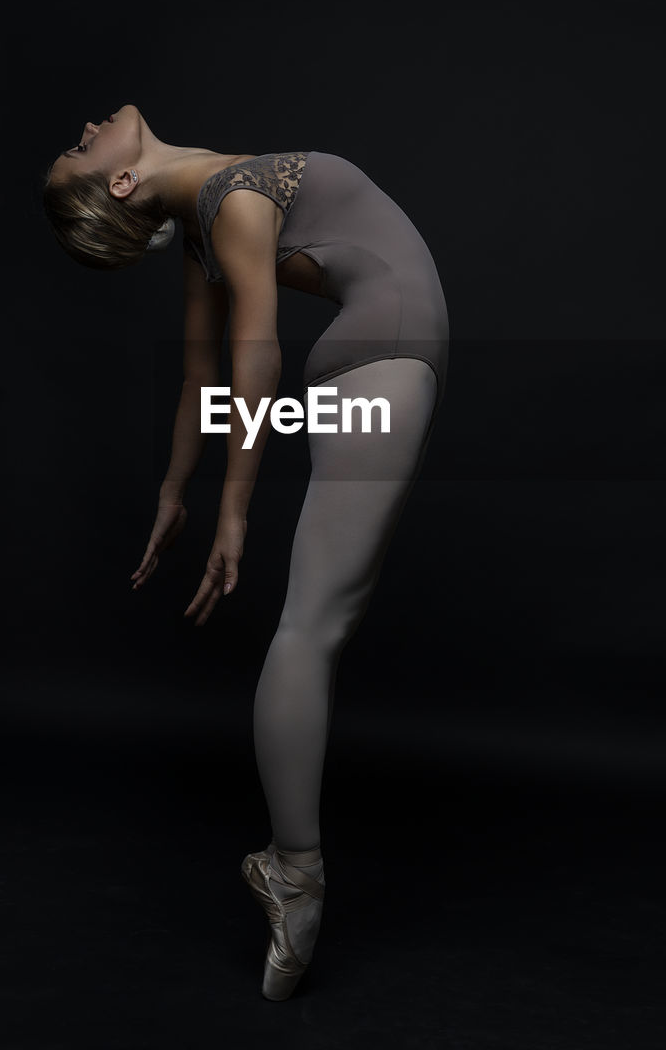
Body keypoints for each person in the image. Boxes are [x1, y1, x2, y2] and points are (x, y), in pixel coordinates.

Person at [42, 103, 449, 1000]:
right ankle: (293, 871)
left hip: (375, 364)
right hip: (379, 365)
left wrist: (172, 491)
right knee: (313, 626)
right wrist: (228, 509)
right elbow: (247, 356)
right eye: (81, 146)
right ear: (118, 180)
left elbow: (201, 380)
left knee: (316, 623)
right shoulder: (231, 197)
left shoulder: (208, 213)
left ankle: (291, 866)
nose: (85, 124)